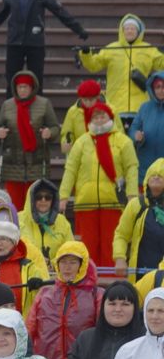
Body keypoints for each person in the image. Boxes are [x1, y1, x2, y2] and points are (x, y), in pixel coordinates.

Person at [0, 0, 88, 87]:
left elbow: (60, 12)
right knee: (12, 81)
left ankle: (37, 108)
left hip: (35, 44)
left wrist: (78, 29)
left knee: (36, 81)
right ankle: (12, 107)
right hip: (15, 43)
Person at [62, 102, 138, 265]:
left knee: (111, 246)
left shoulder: (123, 141)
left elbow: (131, 168)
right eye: (95, 117)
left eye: (102, 115)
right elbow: (70, 170)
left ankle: (111, 285)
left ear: (110, 117)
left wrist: (132, 195)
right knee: (87, 248)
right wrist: (63, 196)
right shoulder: (81, 142)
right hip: (85, 204)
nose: (99, 119)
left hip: (113, 203)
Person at [0, 72, 61, 207]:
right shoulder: (7, 105)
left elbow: (55, 127)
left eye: (25, 87)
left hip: (37, 163)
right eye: (20, 87)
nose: (22, 90)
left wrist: (49, 133)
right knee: (15, 206)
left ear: (32, 88)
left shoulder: (44, 104)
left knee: (34, 205)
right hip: (13, 164)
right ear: (15, 88)